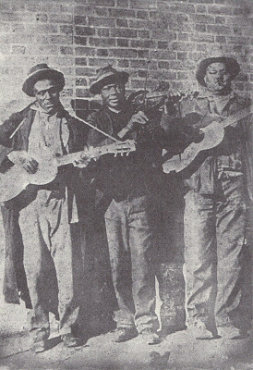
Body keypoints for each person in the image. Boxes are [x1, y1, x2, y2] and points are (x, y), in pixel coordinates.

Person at [86, 65, 199, 344]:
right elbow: (98, 153)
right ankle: (125, 320)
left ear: (124, 89)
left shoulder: (143, 116)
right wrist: (128, 128)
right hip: (112, 202)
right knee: (117, 263)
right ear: (101, 93)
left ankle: (146, 322)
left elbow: (164, 144)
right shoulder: (95, 120)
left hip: (141, 198)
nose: (114, 92)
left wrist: (165, 116)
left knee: (142, 261)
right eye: (107, 88)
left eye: (117, 86)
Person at [0, 64, 93, 352]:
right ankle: (39, 330)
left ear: (58, 91)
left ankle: (68, 328)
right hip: (28, 202)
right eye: (41, 93)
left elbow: (83, 163)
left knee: (67, 269)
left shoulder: (72, 121)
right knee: (35, 268)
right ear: (34, 95)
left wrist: (83, 163)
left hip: (62, 200)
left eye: (52, 91)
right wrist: (13, 154)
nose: (47, 97)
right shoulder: (20, 120)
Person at [163, 56, 253, 339]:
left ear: (231, 77)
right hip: (198, 187)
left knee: (231, 255)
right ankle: (199, 318)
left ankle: (226, 318)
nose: (218, 78)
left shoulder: (244, 109)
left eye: (224, 74)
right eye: (212, 73)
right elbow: (171, 140)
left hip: (234, 185)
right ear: (204, 78)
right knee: (198, 254)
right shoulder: (192, 108)